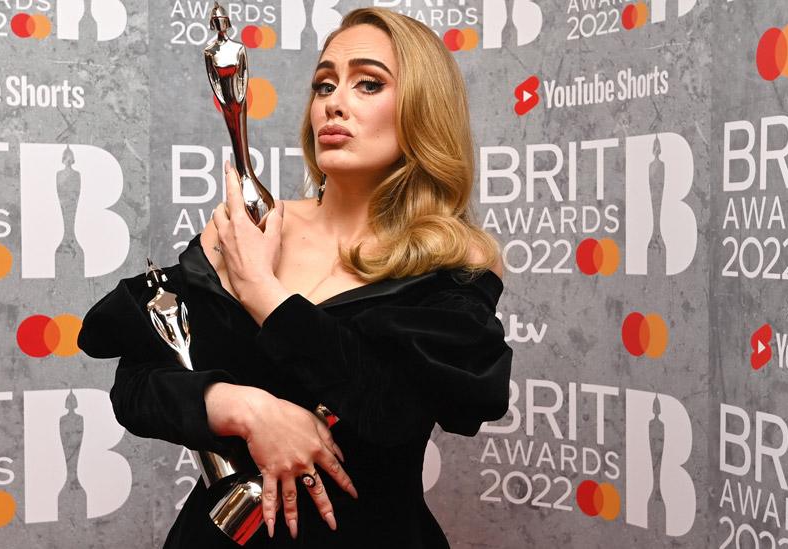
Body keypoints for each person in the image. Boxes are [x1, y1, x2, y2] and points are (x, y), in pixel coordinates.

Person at [78, 7, 512, 548]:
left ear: (424, 108)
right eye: (324, 84)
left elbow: (392, 410)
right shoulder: (256, 229)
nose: (334, 102)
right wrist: (246, 410)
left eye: (368, 84)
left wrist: (263, 291)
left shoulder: (453, 258)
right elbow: (135, 379)